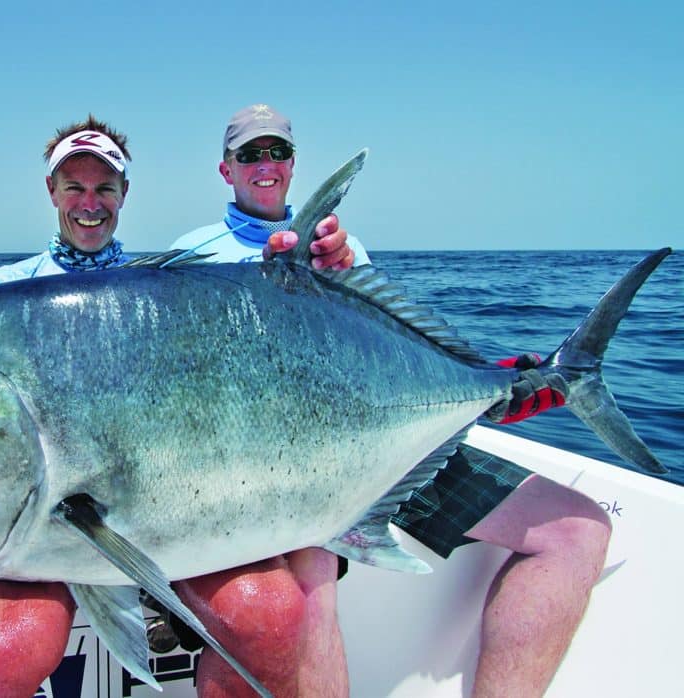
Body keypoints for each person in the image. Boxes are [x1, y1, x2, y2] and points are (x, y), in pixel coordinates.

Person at [167, 103, 613, 697]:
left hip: (394, 446)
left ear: (294, 164)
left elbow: (393, 363)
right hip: (287, 473)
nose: (264, 164)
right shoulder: (189, 260)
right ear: (226, 169)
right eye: (249, 154)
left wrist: (495, 380)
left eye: (276, 151)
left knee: (577, 532)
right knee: (315, 577)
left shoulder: (340, 250)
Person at [0, 114, 356, 698]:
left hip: (164, 504)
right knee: (5, 653)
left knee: (269, 618)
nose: (90, 202)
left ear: (124, 195)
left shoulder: (167, 290)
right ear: (52, 192)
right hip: (37, 512)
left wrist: (327, 268)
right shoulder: (3, 291)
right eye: (75, 187)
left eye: (104, 188)